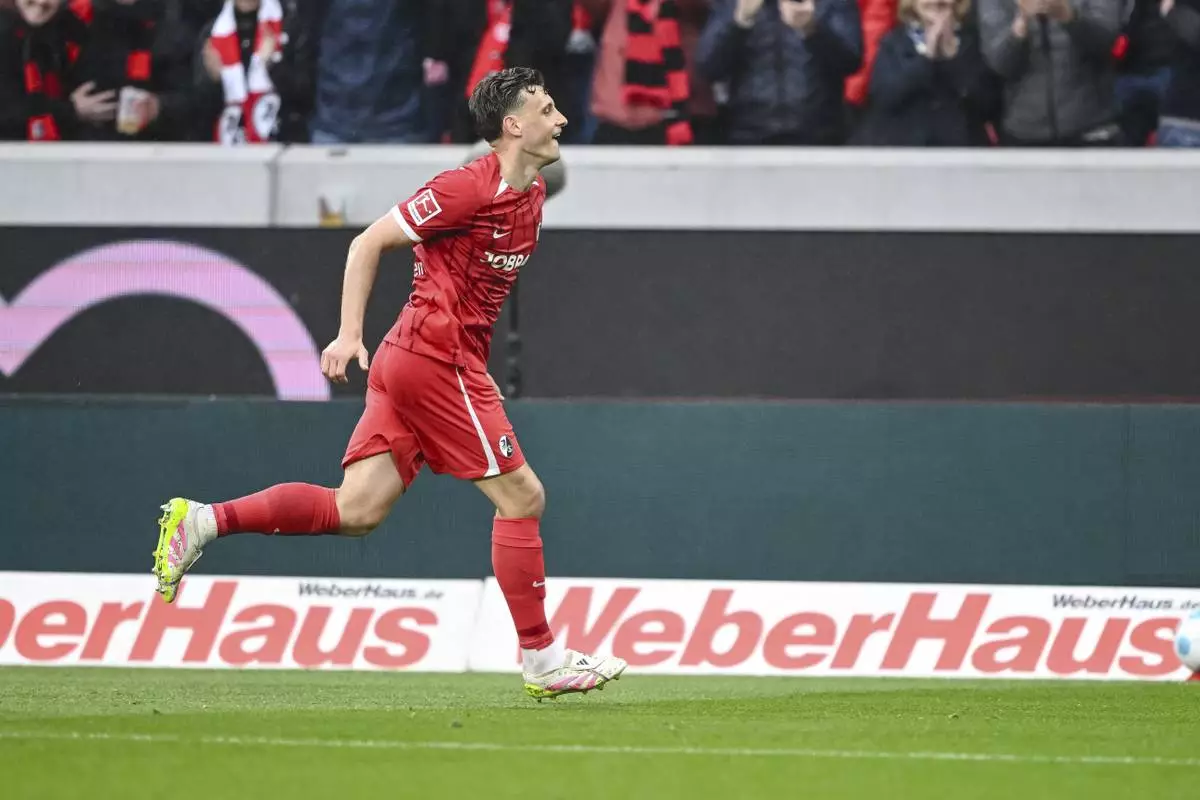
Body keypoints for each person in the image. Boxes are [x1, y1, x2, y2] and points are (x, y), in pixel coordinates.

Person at [151, 66, 628, 701]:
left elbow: (472, 285)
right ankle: (542, 660)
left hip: (434, 361)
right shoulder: (463, 187)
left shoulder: (532, 195)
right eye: (547, 110)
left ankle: (204, 522)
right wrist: (349, 334)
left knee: (356, 511)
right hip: (432, 360)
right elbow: (367, 242)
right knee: (523, 498)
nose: (561, 119)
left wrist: (471, 369)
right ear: (513, 125)